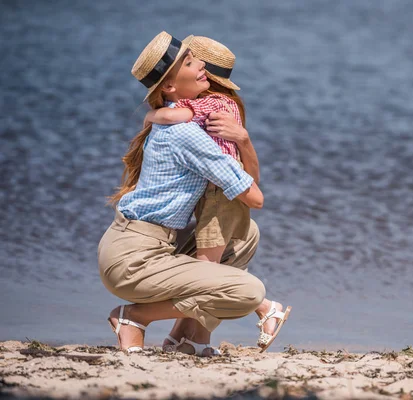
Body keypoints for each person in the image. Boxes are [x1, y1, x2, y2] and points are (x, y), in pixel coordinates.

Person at [98, 31, 274, 354]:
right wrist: (239, 145)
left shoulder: (175, 120)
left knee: (245, 235)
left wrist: (243, 139)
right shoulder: (186, 133)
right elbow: (256, 197)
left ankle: (185, 338)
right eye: (191, 62)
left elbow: (250, 191)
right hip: (134, 259)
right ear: (169, 87)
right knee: (250, 292)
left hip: (147, 244)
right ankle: (134, 317)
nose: (201, 66)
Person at [143, 36, 291, 355]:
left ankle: (265, 307)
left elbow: (176, 116)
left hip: (218, 193)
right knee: (211, 267)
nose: (192, 66)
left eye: (193, 62)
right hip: (220, 192)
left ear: (205, 75)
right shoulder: (230, 103)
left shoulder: (210, 104)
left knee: (204, 272)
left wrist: (152, 114)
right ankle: (188, 338)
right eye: (187, 61)